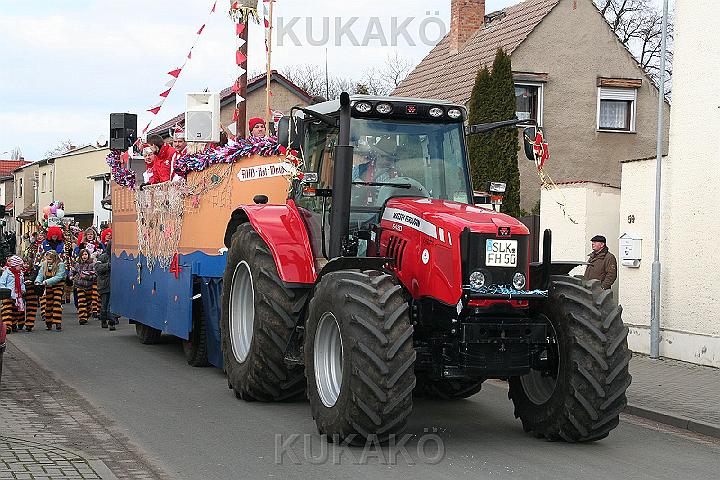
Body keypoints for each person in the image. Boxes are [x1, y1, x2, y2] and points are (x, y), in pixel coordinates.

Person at [35, 250, 66, 331]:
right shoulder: (44, 264)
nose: (48, 260)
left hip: (58, 286)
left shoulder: (60, 265)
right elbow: (40, 274)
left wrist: (46, 281)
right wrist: (37, 281)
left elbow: (59, 276)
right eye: (47, 259)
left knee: (57, 303)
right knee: (48, 303)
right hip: (48, 286)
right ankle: (48, 322)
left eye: (50, 259)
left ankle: (58, 322)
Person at [1, 256, 26, 334]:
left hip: (17, 295)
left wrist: (23, 289)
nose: (21, 267)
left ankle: (14, 324)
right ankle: (7, 326)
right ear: (14, 265)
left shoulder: (20, 273)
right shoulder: (7, 272)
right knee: (7, 311)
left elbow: (22, 283)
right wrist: (4, 290)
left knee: (16, 311)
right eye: (20, 266)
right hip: (8, 295)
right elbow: (2, 282)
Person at [71, 249, 96, 325]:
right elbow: (73, 271)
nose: (84, 256)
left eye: (86, 254)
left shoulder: (92, 264)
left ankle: (87, 314)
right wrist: (71, 276)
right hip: (79, 285)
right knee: (81, 302)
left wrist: (86, 277)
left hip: (89, 285)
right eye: (83, 255)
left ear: (88, 255)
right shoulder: (77, 264)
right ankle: (82, 318)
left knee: (88, 303)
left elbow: (95, 275)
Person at [94, 249, 115, 330]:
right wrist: (108, 265)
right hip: (104, 284)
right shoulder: (102, 257)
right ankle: (103, 320)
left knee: (111, 305)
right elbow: (97, 267)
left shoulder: (117, 256)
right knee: (104, 305)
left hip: (114, 284)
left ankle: (112, 322)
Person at [22, 257, 39, 332]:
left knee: (31, 307)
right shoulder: (19, 270)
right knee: (20, 308)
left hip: (31, 290)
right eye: (24, 263)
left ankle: (29, 323)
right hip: (21, 291)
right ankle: (20, 323)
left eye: (27, 264)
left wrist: (29, 280)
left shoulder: (34, 270)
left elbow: (33, 276)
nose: (25, 265)